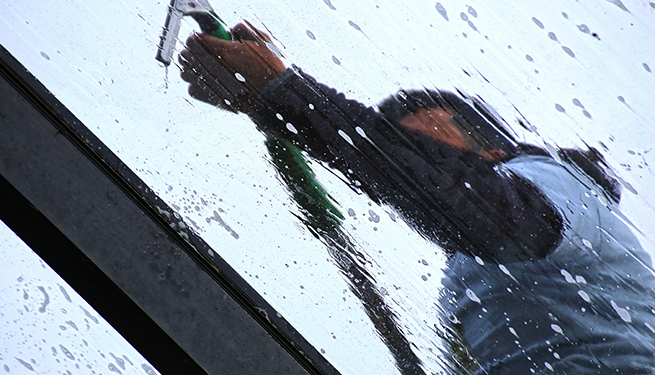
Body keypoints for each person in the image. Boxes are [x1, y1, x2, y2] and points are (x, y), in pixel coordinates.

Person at [179, 23, 655, 374]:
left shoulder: (557, 182)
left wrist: (286, 95)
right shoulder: (462, 272)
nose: (410, 158)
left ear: (488, 146)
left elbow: (499, 217)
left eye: (424, 140)